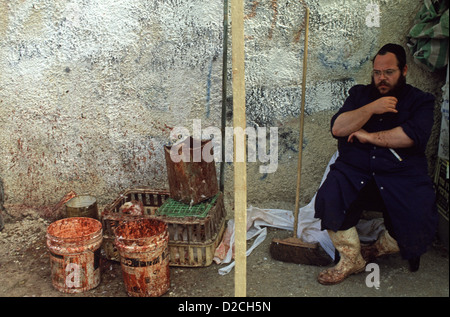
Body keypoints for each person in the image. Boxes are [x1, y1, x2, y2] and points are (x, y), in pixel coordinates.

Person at [314, 43, 438, 285]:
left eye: (389, 72)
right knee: (330, 196)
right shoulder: (360, 95)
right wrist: (372, 108)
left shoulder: (420, 101)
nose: (382, 78)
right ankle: (351, 259)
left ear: (404, 70)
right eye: (377, 72)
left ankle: (378, 249)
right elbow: (338, 128)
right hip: (355, 170)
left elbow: (411, 136)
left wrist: (368, 136)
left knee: (419, 213)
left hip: (401, 173)